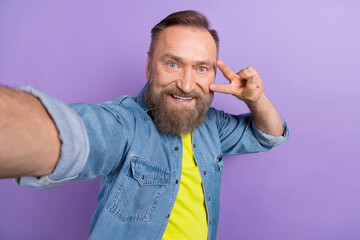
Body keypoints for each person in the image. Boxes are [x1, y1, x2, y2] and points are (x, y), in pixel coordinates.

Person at [0, 10, 288, 240]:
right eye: (173, 64)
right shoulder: (126, 123)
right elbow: (78, 134)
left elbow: (270, 136)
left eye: (201, 68)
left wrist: (255, 99)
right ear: (149, 65)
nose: (187, 85)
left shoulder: (212, 125)